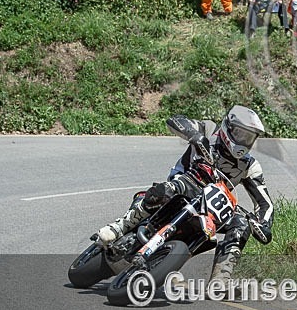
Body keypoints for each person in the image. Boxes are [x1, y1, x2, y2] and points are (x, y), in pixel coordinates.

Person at [96, 106, 274, 287]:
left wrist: (264, 224)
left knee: (242, 224)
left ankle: (221, 281)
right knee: (167, 190)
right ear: (228, 126)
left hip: (212, 207)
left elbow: (265, 204)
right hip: (185, 182)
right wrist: (194, 135)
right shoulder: (210, 130)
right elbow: (175, 120)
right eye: (240, 134)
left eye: (249, 137)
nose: (243, 141)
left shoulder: (250, 166)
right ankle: (118, 227)